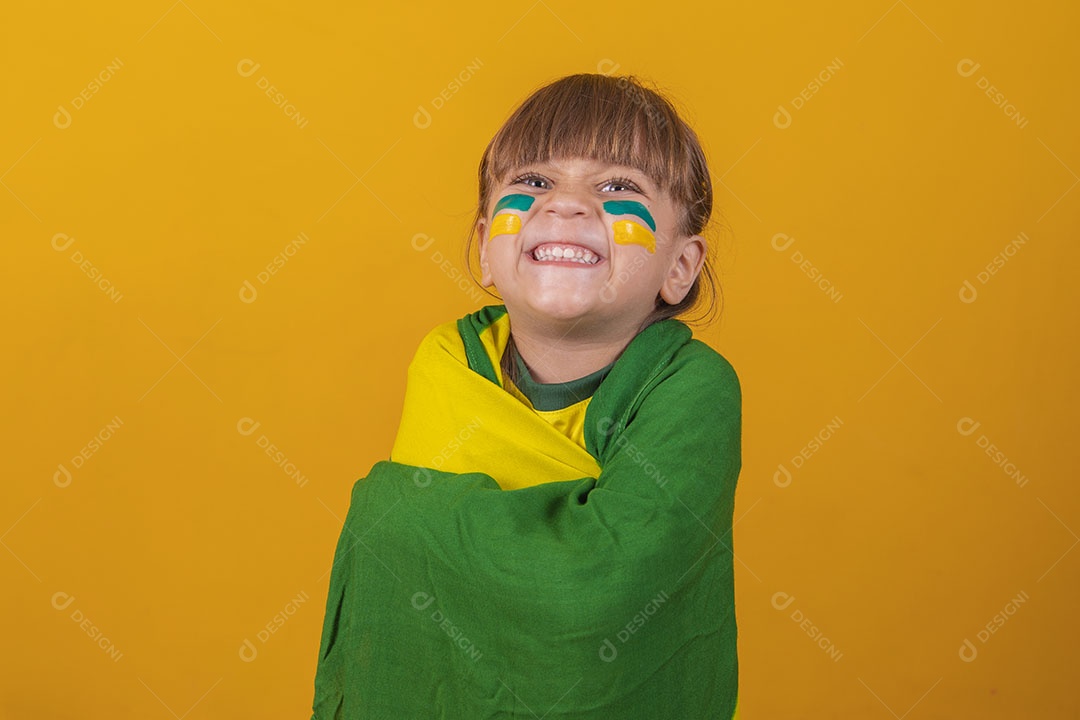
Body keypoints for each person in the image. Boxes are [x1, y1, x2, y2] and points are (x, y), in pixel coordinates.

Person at [311, 72, 742, 720]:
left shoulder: (691, 387)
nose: (565, 205)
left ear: (680, 266)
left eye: (617, 186)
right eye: (535, 182)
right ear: (487, 247)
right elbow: (423, 589)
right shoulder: (448, 361)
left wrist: (392, 511)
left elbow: (605, 588)